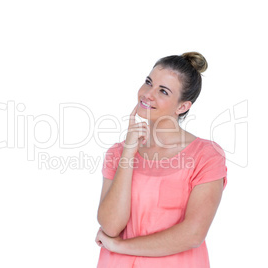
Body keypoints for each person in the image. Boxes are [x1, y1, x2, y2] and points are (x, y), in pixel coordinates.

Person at [95, 52, 228, 267]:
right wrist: (129, 153)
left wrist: (121, 246)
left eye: (163, 91)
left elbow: (193, 234)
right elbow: (110, 226)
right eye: (149, 82)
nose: (148, 94)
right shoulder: (118, 153)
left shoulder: (206, 155)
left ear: (182, 107)